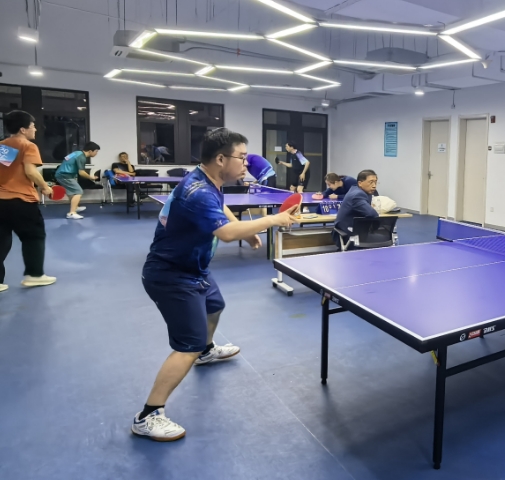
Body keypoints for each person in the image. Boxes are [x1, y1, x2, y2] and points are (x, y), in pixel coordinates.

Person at [132, 128, 298, 442]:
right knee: (187, 346)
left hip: (194, 268)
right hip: (171, 275)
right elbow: (225, 234)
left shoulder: (208, 181)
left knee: (215, 305)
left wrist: (245, 228)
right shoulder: (198, 192)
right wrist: (273, 220)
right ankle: (147, 415)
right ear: (221, 159)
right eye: (242, 158)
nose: (247, 164)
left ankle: (206, 352)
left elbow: (220, 211)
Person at [0, 110, 57, 292]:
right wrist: (45, 187)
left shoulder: (4, 146)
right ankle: (34, 275)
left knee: (1, 240)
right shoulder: (28, 146)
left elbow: (5, 172)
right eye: (33, 126)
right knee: (33, 236)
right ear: (23, 129)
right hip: (21, 200)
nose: (35, 130)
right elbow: (30, 171)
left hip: (1, 200)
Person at [332, 169, 379, 248]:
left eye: (375, 182)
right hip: (348, 235)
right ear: (360, 183)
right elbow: (373, 214)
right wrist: (375, 228)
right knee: (386, 239)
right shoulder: (357, 195)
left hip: (358, 231)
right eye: (371, 182)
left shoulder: (362, 191)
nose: (374, 185)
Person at [55, 141, 100, 219]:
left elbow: (66, 160)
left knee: (71, 192)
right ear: (90, 151)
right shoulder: (81, 157)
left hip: (62, 174)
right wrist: (91, 177)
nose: (96, 153)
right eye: (96, 151)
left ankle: (75, 207)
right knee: (78, 191)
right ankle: (72, 213)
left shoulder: (76, 153)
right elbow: (81, 172)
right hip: (65, 175)